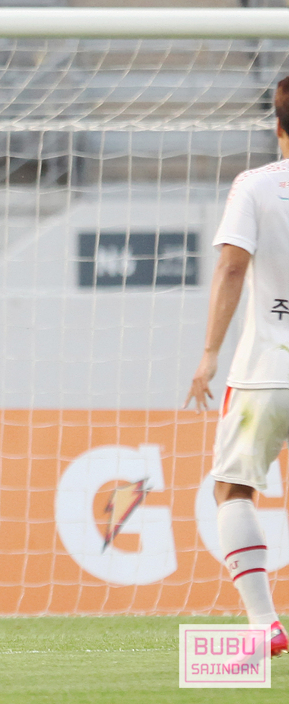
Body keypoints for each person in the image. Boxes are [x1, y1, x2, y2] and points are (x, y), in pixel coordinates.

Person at [186, 75, 289, 657]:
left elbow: (230, 267)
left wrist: (208, 354)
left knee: (233, 488)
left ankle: (263, 623)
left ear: (278, 127)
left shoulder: (255, 185)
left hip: (265, 373)